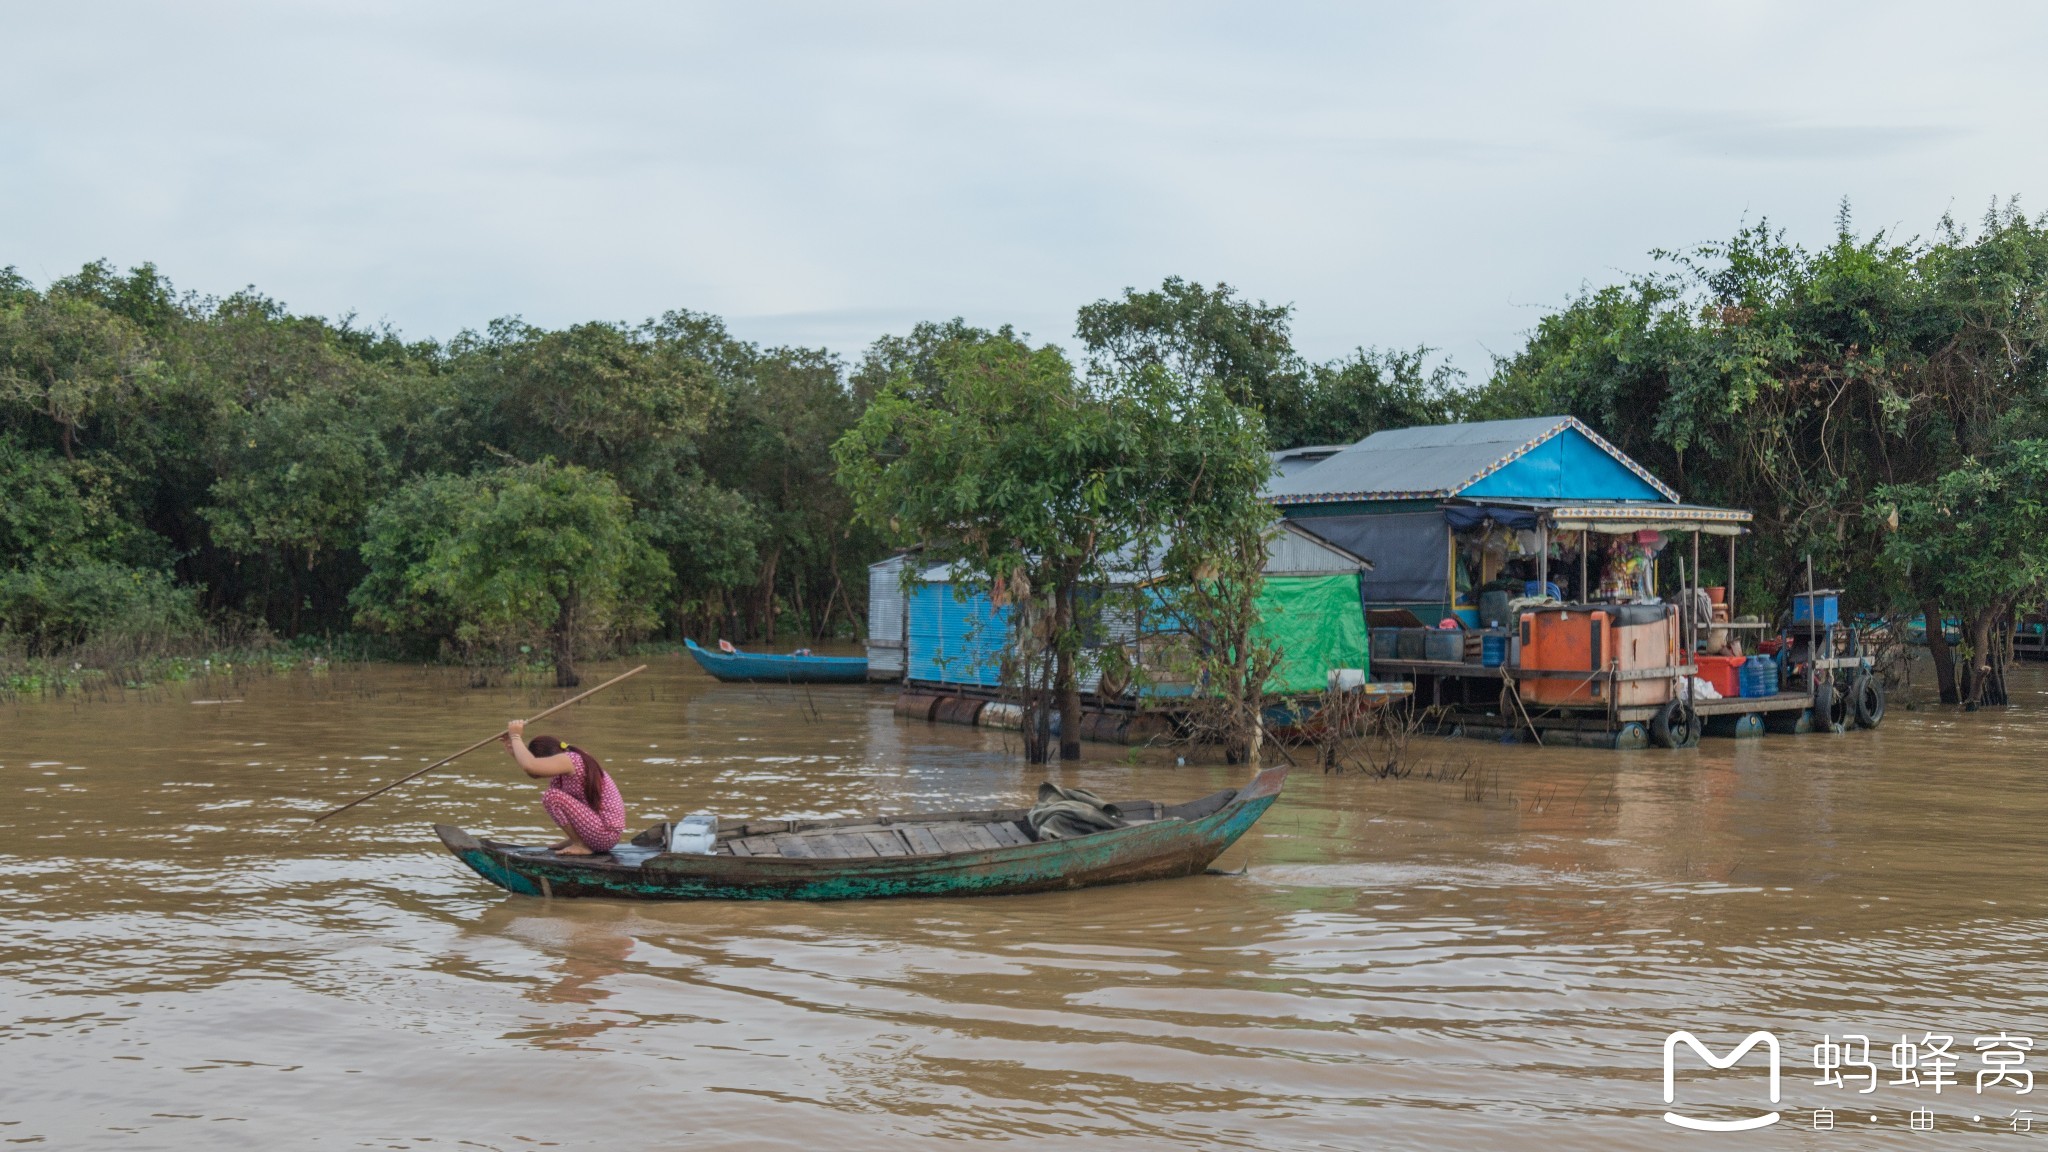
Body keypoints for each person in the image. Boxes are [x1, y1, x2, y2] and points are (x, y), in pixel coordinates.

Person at [501, 719, 624, 855]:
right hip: (598, 831)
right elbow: (533, 772)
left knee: (551, 797)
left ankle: (580, 844)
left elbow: (531, 766)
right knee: (553, 793)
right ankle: (576, 840)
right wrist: (514, 751)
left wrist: (516, 737)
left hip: (605, 835)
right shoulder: (563, 769)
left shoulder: (570, 759)